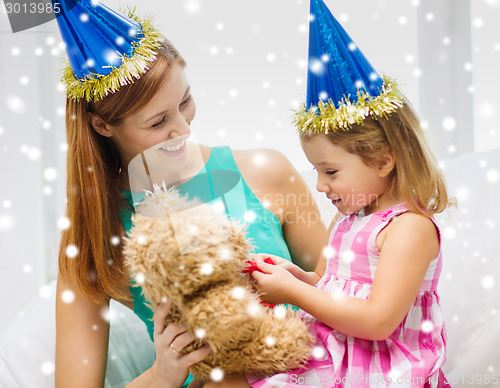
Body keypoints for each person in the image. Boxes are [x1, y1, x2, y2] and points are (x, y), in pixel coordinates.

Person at [52, 2, 326, 388]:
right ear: (102, 125)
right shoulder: (94, 232)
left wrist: (298, 288)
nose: (182, 129)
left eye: (185, 101)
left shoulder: (267, 172)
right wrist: (161, 375)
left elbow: (347, 295)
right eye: (157, 121)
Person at [203, 0, 453, 387]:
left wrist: (293, 294)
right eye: (318, 170)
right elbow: (326, 282)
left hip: (381, 367)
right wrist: (297, 276)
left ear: (384, 159)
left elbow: (378, 321)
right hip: (336, 351)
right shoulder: (348, 218)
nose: (320, 186)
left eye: (331, 171)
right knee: (225, 377)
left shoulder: (409, 229)